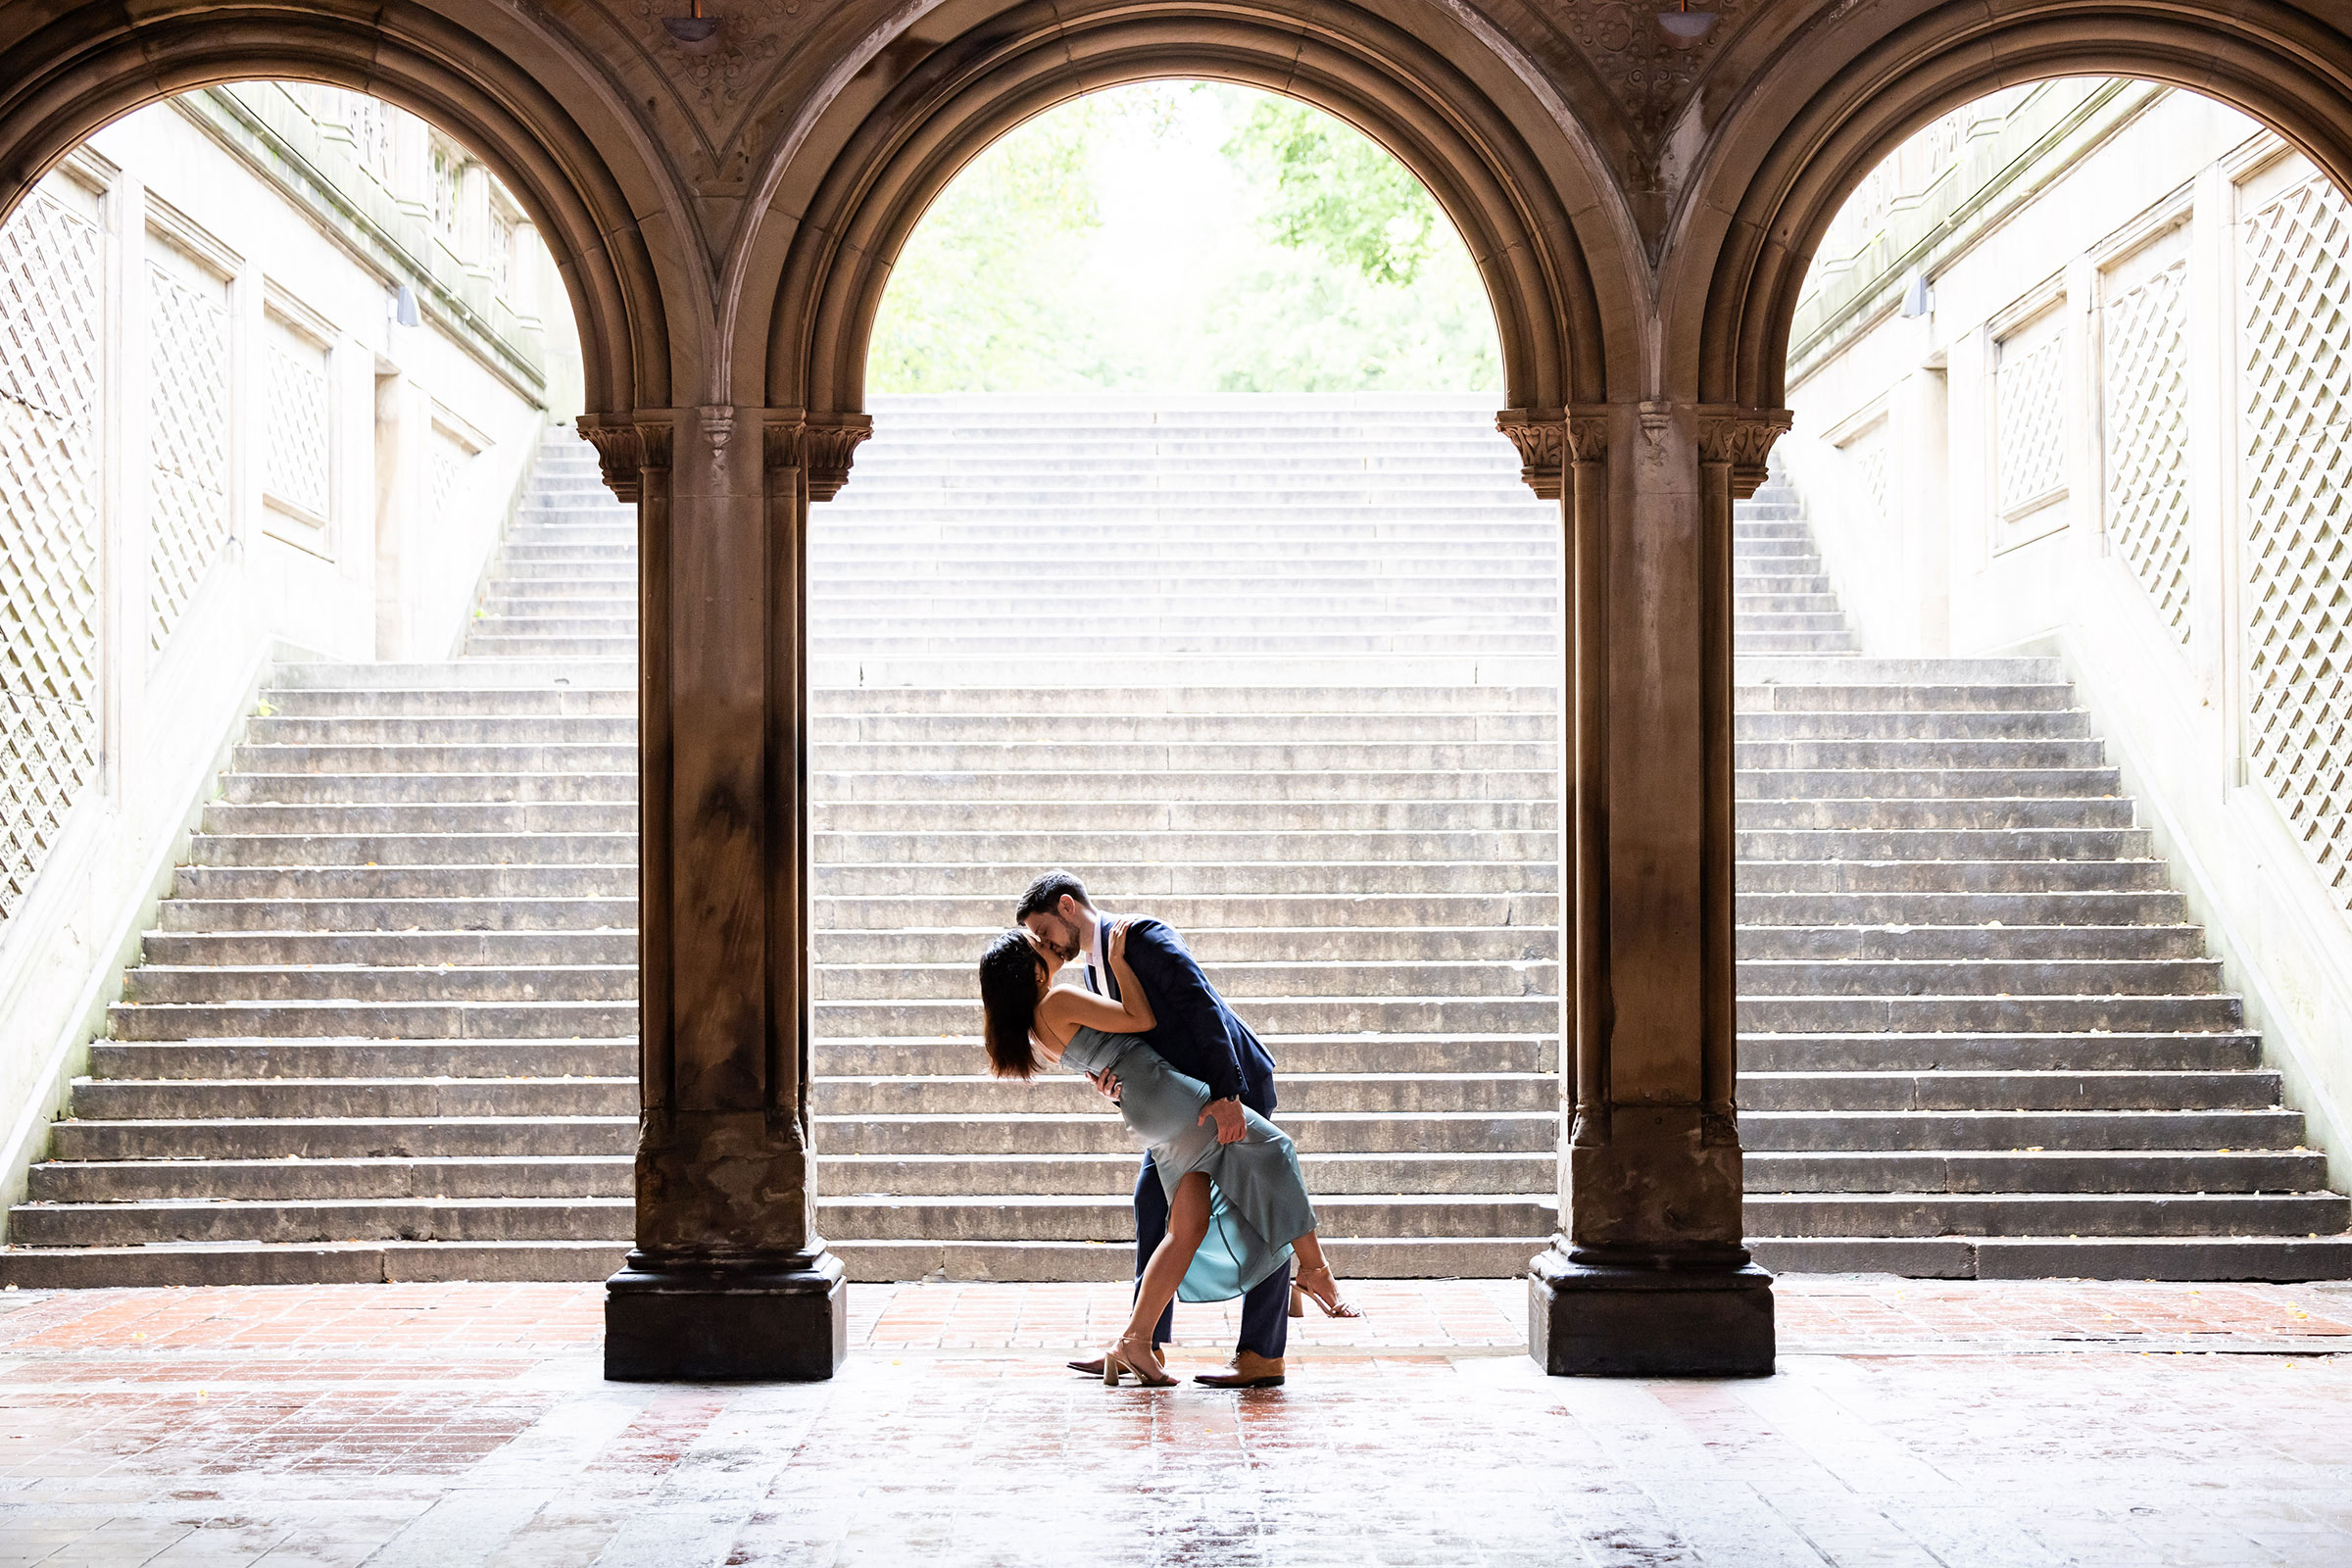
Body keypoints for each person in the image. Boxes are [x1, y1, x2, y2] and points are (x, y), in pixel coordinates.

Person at [978, 915, 1360, 1388]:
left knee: (1186, 1229)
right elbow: (1141, 1020)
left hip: (1147, 1109)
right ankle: (1316, 1272)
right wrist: (1119, 963)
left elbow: (1101, 1059)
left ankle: (1136, 1341)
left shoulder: (1035, 1029)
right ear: (1029, 971)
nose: (1048, 949)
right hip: (1170, 1098)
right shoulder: (1058, 999)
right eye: (1037, 945)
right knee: (1275, 1150)